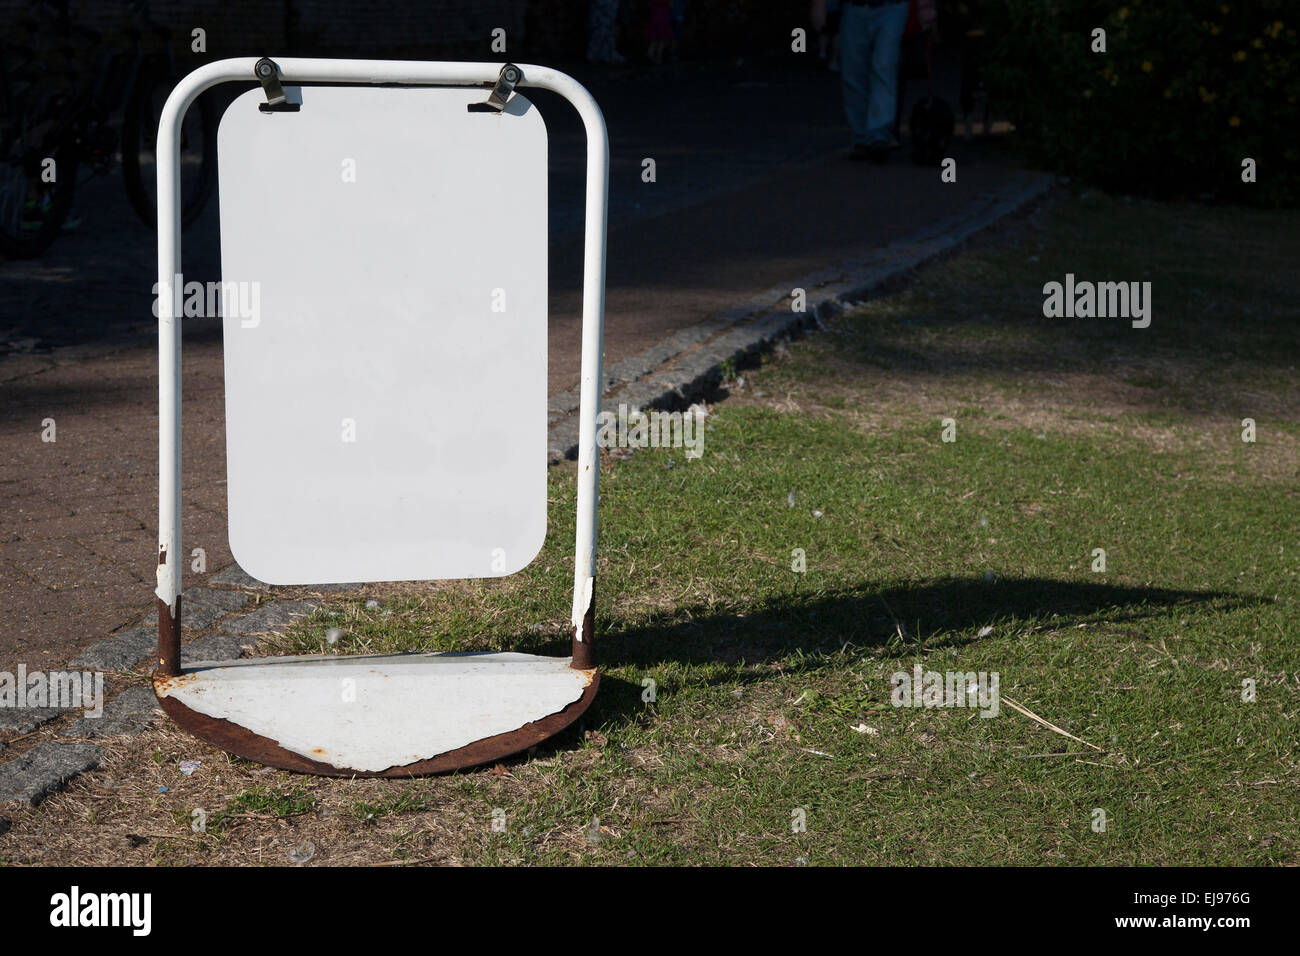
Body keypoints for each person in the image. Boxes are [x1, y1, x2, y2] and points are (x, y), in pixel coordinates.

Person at [813, 0, 911, 162]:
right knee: (853, 73)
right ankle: (861, 136)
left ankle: (878, 135)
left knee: (884, 66)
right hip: (854, 8)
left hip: (891, 7)